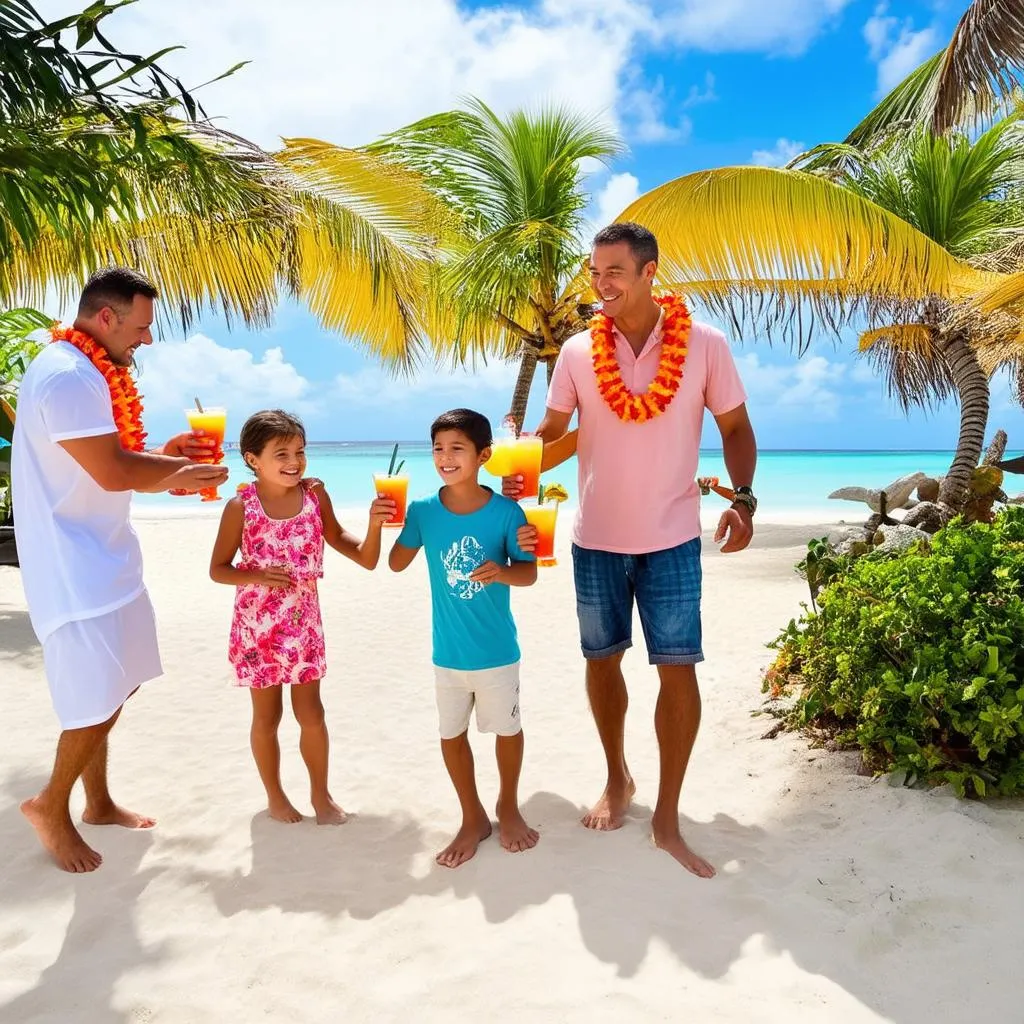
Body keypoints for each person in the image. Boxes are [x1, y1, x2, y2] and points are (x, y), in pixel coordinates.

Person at [506, 223, 758, 878]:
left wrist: (744, 499)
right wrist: (508, 462)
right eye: (594, 273)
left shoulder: (704, 346)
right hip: (595, 539)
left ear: (650, 271)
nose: (602, 284)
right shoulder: (575, 355)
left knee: (678, 670)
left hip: (673, 536)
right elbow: (554, 437)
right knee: (603, 662)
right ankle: (618, 777)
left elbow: (734, 427)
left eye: (614, 271)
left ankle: (668, 814)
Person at [14, 266, 229, 873]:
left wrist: (163, 455)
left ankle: (98, 800)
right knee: (93, 697)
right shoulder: (66, 376)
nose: (147, 340)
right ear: (105, 318)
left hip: (103, 553)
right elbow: (111, 471)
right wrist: (178, 476)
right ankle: (50, 805)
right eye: (140, 327)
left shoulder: (87, 371)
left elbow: (97, 458)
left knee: (120, 680)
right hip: (71, 562)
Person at [209, 410, 395, 825]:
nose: (294, 461)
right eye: (281, 453)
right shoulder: (241, 506)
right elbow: (218, 569)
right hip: (256, 629)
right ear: (253, 458)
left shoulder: (315, 498)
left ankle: (320, 797)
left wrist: (375, 522)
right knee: (267, 717)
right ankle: (275, 797)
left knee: (312, 714)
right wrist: (256, 573)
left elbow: (365, 558)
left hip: (304, 625)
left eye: (299, 451)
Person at [389, 408, 539, 868]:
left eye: (457, 448)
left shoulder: (507, 512)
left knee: (507, 731)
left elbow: (529, 574)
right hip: (447, 653)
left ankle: (508, 806)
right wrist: (384, 522)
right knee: (451, 734)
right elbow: (395, 564)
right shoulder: (422, 512)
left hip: (495, 652)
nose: (445, 457)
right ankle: (471, 816)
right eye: (438, 448)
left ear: (484, 455)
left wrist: (502, 572)